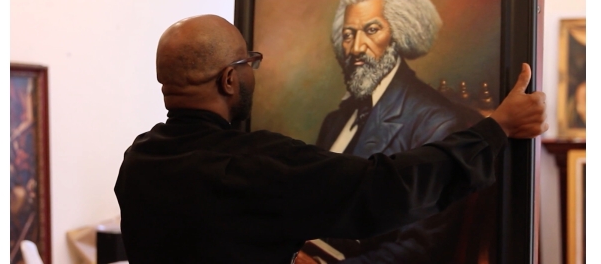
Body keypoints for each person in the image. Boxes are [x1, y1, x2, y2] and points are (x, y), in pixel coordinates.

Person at [114, 14, 548, 264]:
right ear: (230, 79)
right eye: (251, 62)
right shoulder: (257, 164)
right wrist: (497, 129)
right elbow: (387, 189)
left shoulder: (137, 161)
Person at [314, 0, 487, 263]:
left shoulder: (437, 124)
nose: (356, 48)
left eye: (371, 30)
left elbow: (421, 250)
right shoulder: (335, 121)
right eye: (348, 34)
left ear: (398, 33)